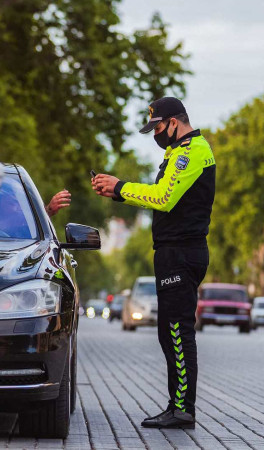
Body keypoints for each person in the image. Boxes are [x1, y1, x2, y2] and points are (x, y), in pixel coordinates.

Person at [91, 97, 215, 429]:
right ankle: (177, 405)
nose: (155, 135)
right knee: (167, 331)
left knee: (177, 330)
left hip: (182, 253)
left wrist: (120, 187)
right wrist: (119, 193)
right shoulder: (179, 152)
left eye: (158, 127)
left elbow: (163, 197)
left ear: (175, 122)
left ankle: (183, 410)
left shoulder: (191, 152)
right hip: (173, 253)